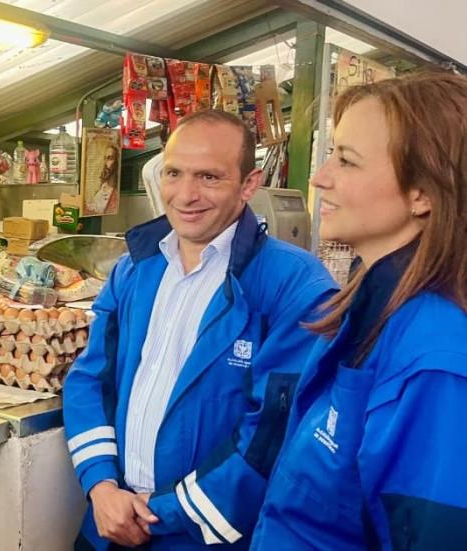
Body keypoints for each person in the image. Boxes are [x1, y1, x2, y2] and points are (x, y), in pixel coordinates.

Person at [64, 109, 338, 550]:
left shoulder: (294, 284)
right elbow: (90, 380)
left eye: (209, 177)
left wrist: (161, 512)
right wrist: (100, 485)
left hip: (202, 535)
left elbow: (273, 433)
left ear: (248, 185)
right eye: (174, 173)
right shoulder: (134, 268)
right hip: (108, 523)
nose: (185, 195)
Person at [252, 72, 467, 549]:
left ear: (424, 193)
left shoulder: (435, 362)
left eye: (346, 160)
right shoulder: (371, 306)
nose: (319, 176)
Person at [86, 144, 120, 216]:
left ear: (117, 162)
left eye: (110, 158)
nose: (105, 163)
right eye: (105, 158)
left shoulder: (115, 192)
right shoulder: (103, 186)